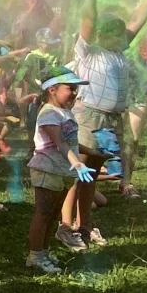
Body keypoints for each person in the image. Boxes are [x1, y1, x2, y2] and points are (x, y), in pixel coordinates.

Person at [61, 0, 147, 249]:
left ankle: (85, 226)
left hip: (110, 119)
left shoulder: (119, 49)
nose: (124, 36)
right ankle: (66, 224)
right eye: (116, 33)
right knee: (80, 171)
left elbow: (137, 20)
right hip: (89, 116)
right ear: (101, 35)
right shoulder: (89, 51)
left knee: (92, 175)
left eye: (123, 33)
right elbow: (89, 17)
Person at [27, 67, 99, 273]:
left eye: (76, 89)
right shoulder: (49, 113)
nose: (75, 93)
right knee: (43, 213)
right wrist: (77, 163)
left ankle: (44, 251)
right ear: (52, 89)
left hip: (62, 170)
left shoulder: (63, 112)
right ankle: (35, 255)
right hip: (47, 169)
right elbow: (59, 142)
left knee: (53, 214)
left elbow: (71, 141)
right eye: (70, 88)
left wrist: (92, 153)